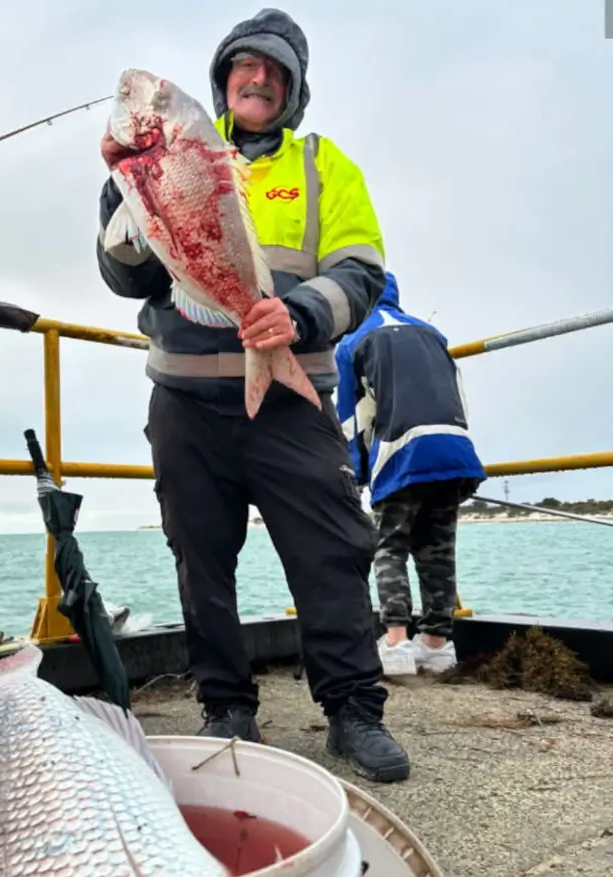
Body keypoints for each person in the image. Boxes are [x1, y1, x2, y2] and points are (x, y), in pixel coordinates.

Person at [95, 8, 410, 784]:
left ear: (294, 89)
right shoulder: (164, 157)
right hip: (186, 400)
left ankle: (352, 713)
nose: (258, 78)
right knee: (199, 556)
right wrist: (123, 199)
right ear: (222, 81)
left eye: (275, 70)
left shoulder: (324, 165)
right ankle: (226, 706)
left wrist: (297, 313)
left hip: (294, 396)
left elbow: (361, 272)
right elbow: (129, 277)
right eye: (244, 65)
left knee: (333, 552)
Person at [334, 271, 487, 677]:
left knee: (390, 547)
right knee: (438, 549)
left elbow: (349, 418)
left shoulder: (353, 340)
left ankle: (398, 642)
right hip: (454, 450)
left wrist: (357, 473)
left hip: (402, 451)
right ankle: (437, 645)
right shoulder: (432, 333)